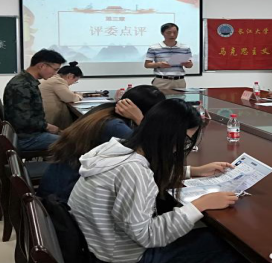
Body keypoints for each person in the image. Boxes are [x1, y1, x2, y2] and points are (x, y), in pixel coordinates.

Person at [69, 98, 243, 263]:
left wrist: (194, 171)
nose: (182, 147)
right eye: (185, 140)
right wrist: (200, 205)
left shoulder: (116, 149)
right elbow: (147, 236)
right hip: (122, 256)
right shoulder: (134, 171)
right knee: (228, 246)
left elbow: (147, 173)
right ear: (167, 135)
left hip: (97, 244)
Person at [38, 85, 166, 202]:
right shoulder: (116, 127)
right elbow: (148, 153)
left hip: (57, 187)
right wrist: (140, 120)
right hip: (64, 198)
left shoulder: (103, 111)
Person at [3, 49, 65, 151]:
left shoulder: (26, 81)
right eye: (55, 70)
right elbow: (23, 120)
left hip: (29, 133)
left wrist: (46, 126)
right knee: (73, 143)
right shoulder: (22, 86)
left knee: (68, 136)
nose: (55, 74)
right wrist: (46, 126)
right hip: (26, 138)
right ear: (42, 66)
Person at [145, 23, 193, 90]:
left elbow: (190, 65)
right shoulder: (154, 47)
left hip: (179, 81)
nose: (172, 35)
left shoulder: (185, 47)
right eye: (169, 32)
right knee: (159, 97)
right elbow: (147, 64)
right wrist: (159, 64)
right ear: (162, 33)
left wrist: (187, 64)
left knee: (180, 97)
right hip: (161, 81)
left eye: (175, 32)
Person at [40, 61, 84, 130]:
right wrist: (79, 96)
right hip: (51, 121)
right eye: (75, 81)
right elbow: (70, 98)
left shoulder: (54, 79)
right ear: (70, 76)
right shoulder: (57, 81)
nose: (73, 83)